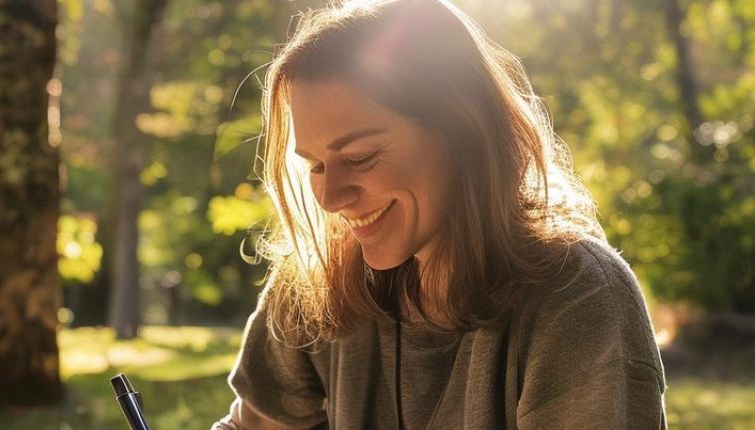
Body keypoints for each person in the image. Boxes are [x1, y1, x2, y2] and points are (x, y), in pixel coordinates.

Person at [213, 0, 668, 428]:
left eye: (360, 156)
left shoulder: (577, 297)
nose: (329, 198)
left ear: (462, 130)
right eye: (314, 165)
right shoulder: (319, 281)